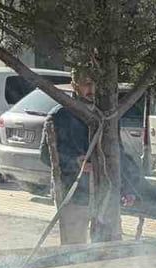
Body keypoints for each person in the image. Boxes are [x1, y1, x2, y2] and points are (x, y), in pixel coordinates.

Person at [40, 68, 138, 245]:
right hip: (74, 195)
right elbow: (46, 155)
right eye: (87, 84)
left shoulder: (108, 116)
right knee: (74, 249)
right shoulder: (60, 116)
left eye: (95, 83)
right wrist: (75, 163)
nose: (92, 89)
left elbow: (118, 154)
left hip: (106, 193)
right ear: (74, 85)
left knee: (108, 248)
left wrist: (128, 187)